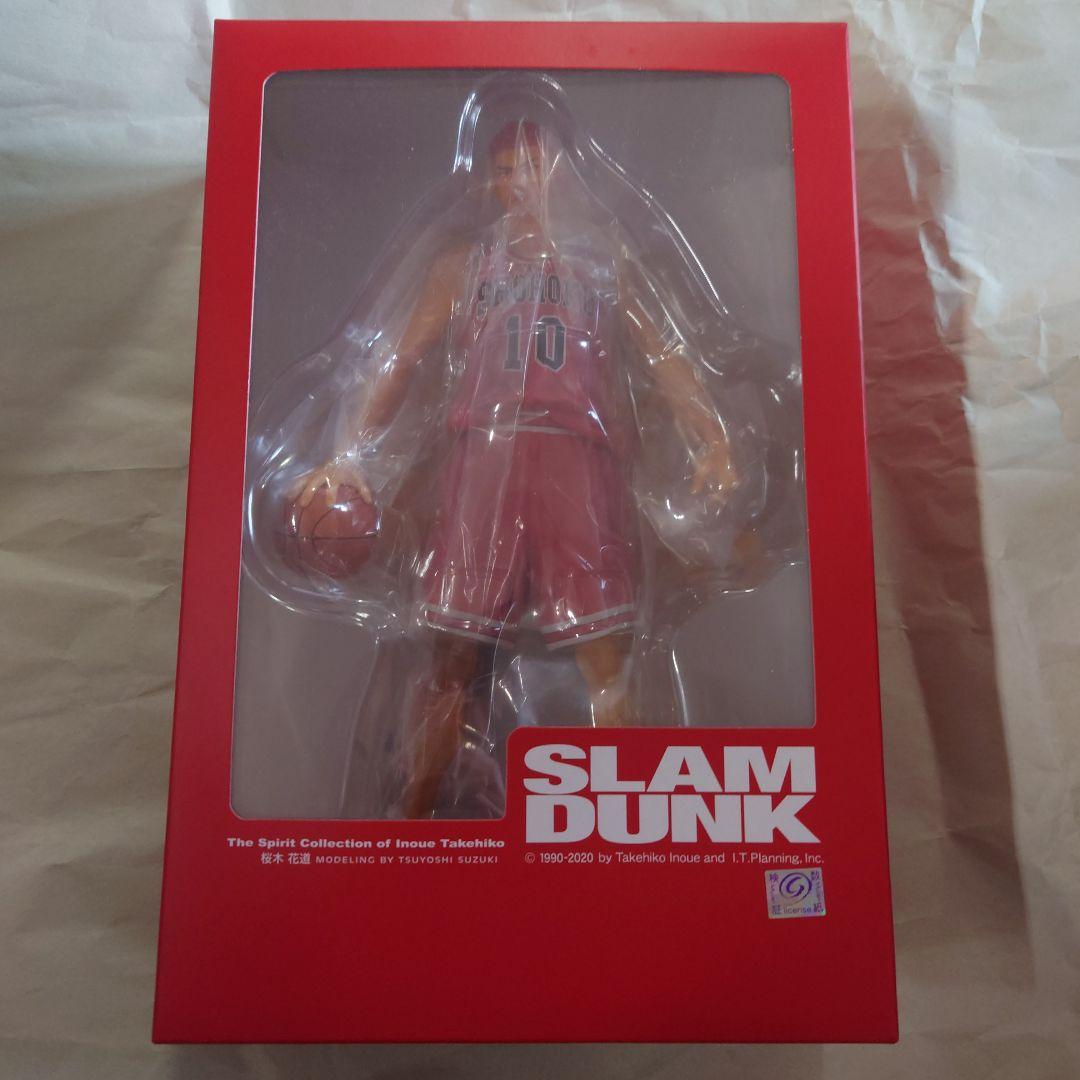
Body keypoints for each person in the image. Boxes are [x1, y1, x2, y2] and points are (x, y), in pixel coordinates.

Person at [292, 119, 737, 817]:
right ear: (489, 182)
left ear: (561, 172)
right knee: (450, 656)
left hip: (575, 459)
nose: (520, 181)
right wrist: (348, 451)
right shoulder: (463, 265)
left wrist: (712, 438)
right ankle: (410, 816)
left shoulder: (603, 261)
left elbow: (663, 353)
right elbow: (399, 358)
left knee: (607, 657)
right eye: (505, 169)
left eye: (533, 166)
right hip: (485, 457)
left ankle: (627, 819)